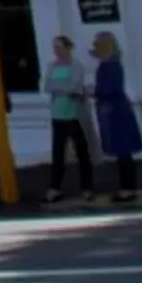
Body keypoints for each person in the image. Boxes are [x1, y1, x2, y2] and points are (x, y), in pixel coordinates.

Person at [91, 32, 142, 204]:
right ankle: (126, 188)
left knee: (123, 151)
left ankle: (128, 189)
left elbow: (111, 89)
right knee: (122, 152)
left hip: (116, 112)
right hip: (114, 110)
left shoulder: (111, 65)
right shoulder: (109, 64)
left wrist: (94, 92)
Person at [44, 35, 96, 203]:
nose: (56, 50)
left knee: (82, 152)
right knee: (58, 154)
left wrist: (60, 87)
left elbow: (74, 86)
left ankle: (87, 188)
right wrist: (64, 87)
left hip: (74, 114)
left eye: (59, 47)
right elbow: (47, 86)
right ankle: (55, 188)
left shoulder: (76, 66)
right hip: (57, 114)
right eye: (55, 47)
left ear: (67, 48)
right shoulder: (51, 66)